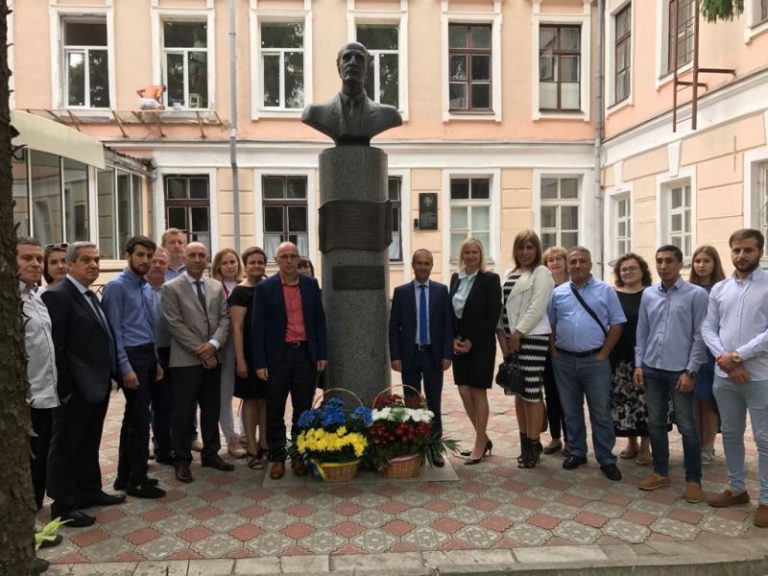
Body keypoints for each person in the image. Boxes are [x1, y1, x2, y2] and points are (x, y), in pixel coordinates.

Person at [42, 242, 124, 527]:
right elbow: (57, 347)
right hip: (74, 389)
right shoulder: (58, 296)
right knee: (66, 447)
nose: (94, 265)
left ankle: (89, 492)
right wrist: (64, 389)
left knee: (89, 442)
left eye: (97, 259)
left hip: (96, 384)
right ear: (70, 264)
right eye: (86, 260)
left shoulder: (89, 294)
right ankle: (64, 506)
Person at [701, 228, 768, 528]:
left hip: (760, 375)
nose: (741, 255)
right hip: (724, 375)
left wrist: (738, 356)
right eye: (736, 250)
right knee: (730, 433)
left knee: (764, 439)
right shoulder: (720, 289)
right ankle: (737, 488)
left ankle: (766, 499)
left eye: (748, 250)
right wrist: (726, 361)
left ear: (760, 252)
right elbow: (708, 328)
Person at [634, 245, 708, 502]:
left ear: (680, 264)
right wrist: (639, 364)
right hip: (652, 368)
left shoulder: (696, 295)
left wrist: (691, 371)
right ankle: (661, 472)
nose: (663, 266)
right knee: (655, 422)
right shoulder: (648, 294)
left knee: (687, 426)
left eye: (668, 261)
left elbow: (700, 335)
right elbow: (642, 331)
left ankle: (693, 480)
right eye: (659, 261)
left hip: (680, 371)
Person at [547, 246, 625, 481]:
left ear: (590, 264)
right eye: (573, 262)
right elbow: (550, 324)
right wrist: (554, 352)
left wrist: (604, 353)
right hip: (564, 360)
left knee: (600, 412)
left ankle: (606, 458)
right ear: (568, 265)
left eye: (582, 261)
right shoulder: (558, 293)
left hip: (595, 361)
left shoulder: (605, 291)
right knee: (571, 411)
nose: (577, 265)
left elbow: (617, 324)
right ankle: (577, 452)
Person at [252, 241, 328, 480]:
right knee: (275, 410)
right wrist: (260, 363)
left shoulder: (310, 285)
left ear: (298, 259)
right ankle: (277, 457)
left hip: (305, 356)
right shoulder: (265, 288)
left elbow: (319, 321)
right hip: (278, 358)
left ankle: (297, 455)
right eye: (283, 257)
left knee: (302, 410)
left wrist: (321, 354)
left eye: (292, 256)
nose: (288, 261)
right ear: (277, 261)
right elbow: (257, 328)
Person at [162, 242, 234, 483]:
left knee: (211, 408)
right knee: (183, 412)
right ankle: (182, 460)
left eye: (201, 255)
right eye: (192, 255)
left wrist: (214, 344)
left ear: (207, 259)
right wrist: (202, 350)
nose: (196, 259)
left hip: (214, 357)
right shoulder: (171, 287)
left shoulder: (215, 286)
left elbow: (225, 318)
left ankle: (211, 453)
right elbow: (174, 323)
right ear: (184, 257)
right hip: (185, 360)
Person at [101, 236, 166, 499]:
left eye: (149, 256)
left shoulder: (145, 286)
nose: (145, 260)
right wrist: (124, 367)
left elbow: (149, 326)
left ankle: (124, 476)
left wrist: (156, 360)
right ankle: (137, 481)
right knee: (140, 420)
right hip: (131, 357)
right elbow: (113, 332)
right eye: (140, 255)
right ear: (128, 255)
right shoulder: (116, 287)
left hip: (147, 355)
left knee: (133, 418)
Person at [389, 249, 454, 467]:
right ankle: (415, 446)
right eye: (419, 263)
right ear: (413, 265)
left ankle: (434, 447)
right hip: (410, 355)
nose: (423, 267)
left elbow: (447, 326)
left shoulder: (441, 291)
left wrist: (447, 354)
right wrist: (395, 356)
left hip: (434, 355)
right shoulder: (401, 292)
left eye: (427, 263)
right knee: (412, 402)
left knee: (434, 401)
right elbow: (393, 327)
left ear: (432, 266)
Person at [497, 231, 554, 469]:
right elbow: (502, 308)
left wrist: (518, 333)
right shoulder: (509, 273)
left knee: (531, 392)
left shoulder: (542, 273)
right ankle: (524, 444)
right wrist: (504, 337)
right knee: (518, 392)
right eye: (521, 247)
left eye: (529, 247)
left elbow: (537, 307)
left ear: (537, 249)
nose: (525, 252)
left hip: (531, 338)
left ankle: (533, 444)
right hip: (512, 340)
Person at [449, 238, 501, 465]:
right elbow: (451, 313)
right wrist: (453, 339)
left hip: (481, 344)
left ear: (481, 255)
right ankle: (484, 438)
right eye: (467, 252)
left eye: (475, 252)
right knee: (463, 390)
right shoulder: (456, 279)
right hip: (459, 344)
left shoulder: (490, 279)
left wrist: (472, 340)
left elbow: (492, 315)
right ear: (462, 256)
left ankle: (479, 443)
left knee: (478, 392)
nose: (471, 256)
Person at [18, 237, 59, 511]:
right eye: (27, 258)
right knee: (24, 463)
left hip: (46, 395)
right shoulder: (10, 301)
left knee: (41, 458)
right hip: (23, 400)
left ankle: (33, 513)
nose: (35, 264)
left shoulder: (37, 298)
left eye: (38, 259)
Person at [301, 42, 402, 145]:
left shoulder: (389, 115)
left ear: (367, 70)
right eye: (347, 57)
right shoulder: (314, 113)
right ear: (339, 68)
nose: (353, 62)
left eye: (359, 58)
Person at [611, 253, 654, 467]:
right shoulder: (613, 294)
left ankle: (646, 446)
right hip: (620, 357)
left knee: (645, 402)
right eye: (624, 269)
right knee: (625, 402)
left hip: (645, 357)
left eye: (632, 268)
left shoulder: (651, 293)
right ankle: (631, 443)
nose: (628, 272)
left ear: (642, 270)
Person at [230, 247, 269, 470]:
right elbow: (237, 327)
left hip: (267, 353)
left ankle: (264, 442)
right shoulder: (240, 292)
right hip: (248, 353)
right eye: (252, 262)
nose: (257, 266)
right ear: (245, 265)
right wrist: (241, 360)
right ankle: (252, 447)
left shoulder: (269, 287)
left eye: (260, 262)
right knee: (251, 400)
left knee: (265, 399)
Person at [689, 245, 726, 464]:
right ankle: (696, 443)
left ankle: (708, 445)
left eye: (706, 261)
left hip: (713, 352)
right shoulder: (687, 289)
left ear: (714, 263)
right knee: (694, 400)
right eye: (697, 261)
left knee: (708, 401)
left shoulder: (722, 289)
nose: (701, 265)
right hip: (692, 351)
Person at [212, 248, 246, 459]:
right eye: (224, 263)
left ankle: (245, 434)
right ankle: (231, 438)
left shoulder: (245, 285)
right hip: (225, 347)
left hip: (246, 345)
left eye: (233, 261)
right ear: (218, 266)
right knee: (224, 395)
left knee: (249, 394)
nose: (229, 266)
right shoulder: (214, 288)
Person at [145, 247, 174, 465]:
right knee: (142, 406)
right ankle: (141, 448)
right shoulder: (139, 289)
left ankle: (164, 448)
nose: (157, 265)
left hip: (170, 352)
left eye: (162, 262)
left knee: (165, 404)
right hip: (144, 353)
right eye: (153, 261)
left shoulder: (172, 289)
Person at [541, 246, 568, 456]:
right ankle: (555, 437)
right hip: (547, 349)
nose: (555, 262)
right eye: (551, 259)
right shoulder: (544, 287)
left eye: (559, 258)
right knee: (551, 394)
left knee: (569, 396)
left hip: (568, 348)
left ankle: (571, 439)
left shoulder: (573, 285)